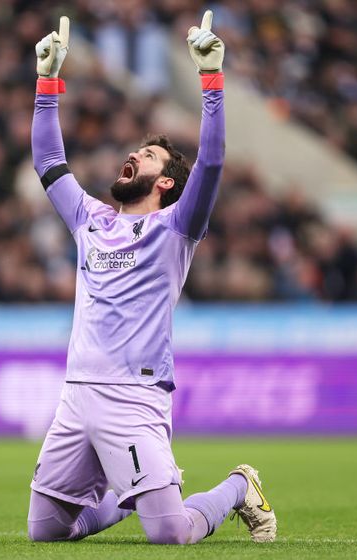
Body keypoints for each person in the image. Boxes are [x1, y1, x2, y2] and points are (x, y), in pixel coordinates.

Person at [26, 12, 277, 545]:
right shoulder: (89, 219)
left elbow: (210, 164)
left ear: (163, 181)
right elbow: (48, 159)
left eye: (149, 155)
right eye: (137, 149)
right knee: (46, 531)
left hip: (133, 398)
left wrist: (212, 82)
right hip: (76, 394)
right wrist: (47, 84)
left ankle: (238, 486)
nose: (134, 153)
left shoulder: (176, 228)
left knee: (170, 535)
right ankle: (127, 494)